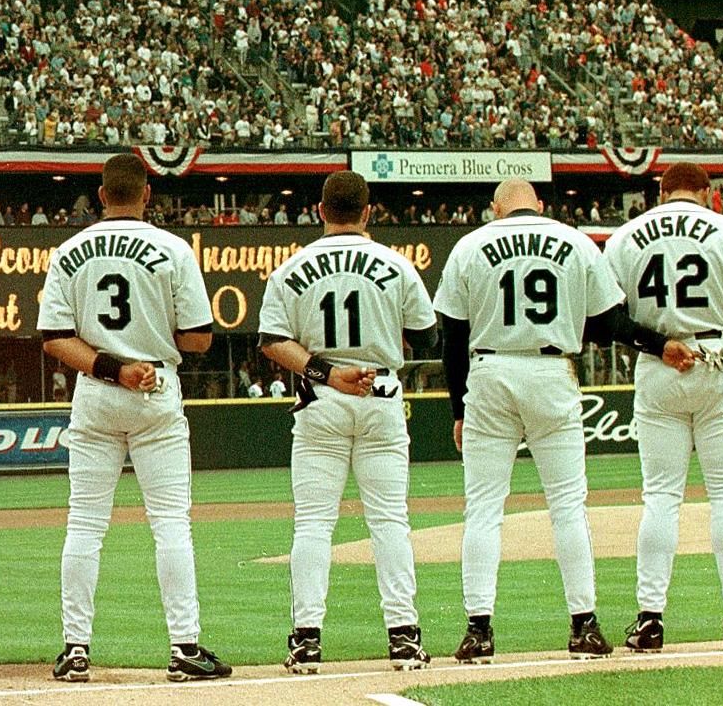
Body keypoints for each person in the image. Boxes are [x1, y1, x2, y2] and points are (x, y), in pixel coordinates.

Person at [38, 153, 232, 684]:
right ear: (148, 195)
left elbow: (55, 338)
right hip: (156, 392)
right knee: (171, 525)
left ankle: (75, 650)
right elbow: (198, 338)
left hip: (96, 393)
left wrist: (112, 367)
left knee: (84, 525)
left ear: (101, 196)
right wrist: (142, 358)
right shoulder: (172, 248)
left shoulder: (70, 250)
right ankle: (184, 648)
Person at [434, 179, 621, 663]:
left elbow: (451, 338)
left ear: (495, 209)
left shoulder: (470, 244)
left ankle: (478, 630)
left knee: (482, 509)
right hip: (551, 368)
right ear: (541, 205)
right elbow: (606, 322)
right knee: (567, 505)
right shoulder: (576, 240)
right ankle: (584, 625)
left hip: (490, 370)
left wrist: (459, 407)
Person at [603, 163, 723, 652]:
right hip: (717, 358)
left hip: (657, 363)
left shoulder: (625, 236)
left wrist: (658, 341)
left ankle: (649, 620)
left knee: (660, 497)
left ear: (660, 193)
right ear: (705, 193)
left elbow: (604, 317)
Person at [259, 171, 433, 675]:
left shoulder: (292, 266)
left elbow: (273, 340)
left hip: (322, 397)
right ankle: (403, 637)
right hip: (379, 394)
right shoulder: (397, 264)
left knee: (313, 523)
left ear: (319, 211)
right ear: (369, 211)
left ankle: (307, 642)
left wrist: (329, 372)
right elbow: (425, 337)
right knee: (389, 521)